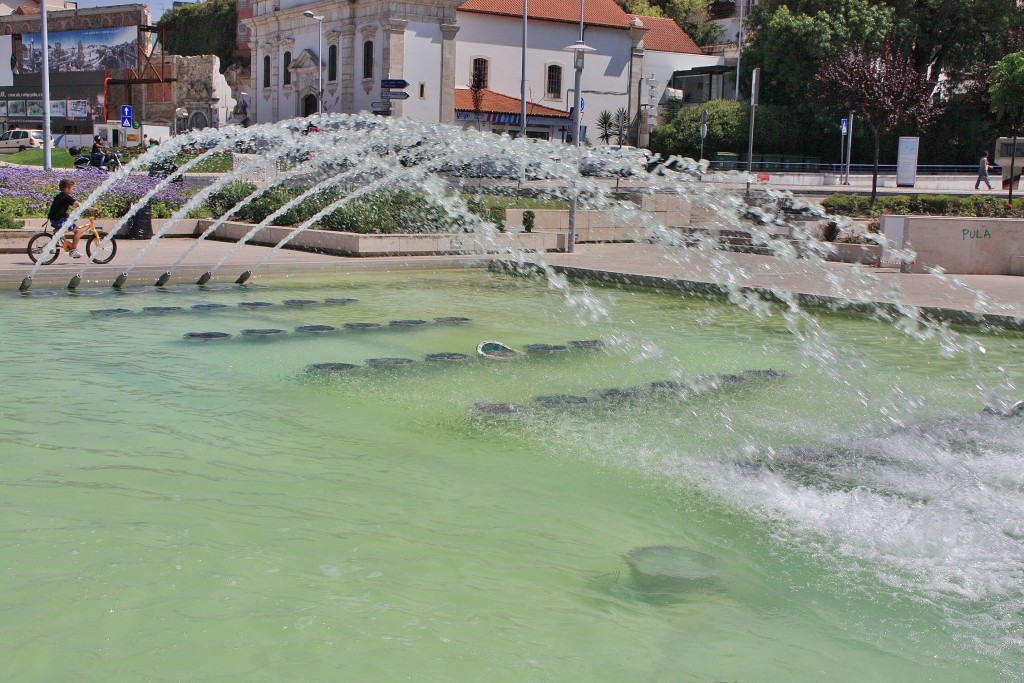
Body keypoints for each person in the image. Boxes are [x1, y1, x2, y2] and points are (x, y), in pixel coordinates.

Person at [47, 178, 84, 258]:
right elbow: (77, 203)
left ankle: (56, 237)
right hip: (58, 220)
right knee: (78, 232)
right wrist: (91, 208)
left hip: (54, 218)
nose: (73, 190)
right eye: (72, 189)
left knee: (71, 219)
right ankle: (73, 251)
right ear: (67, 188)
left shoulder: (60, 196)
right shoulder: (66, 197)